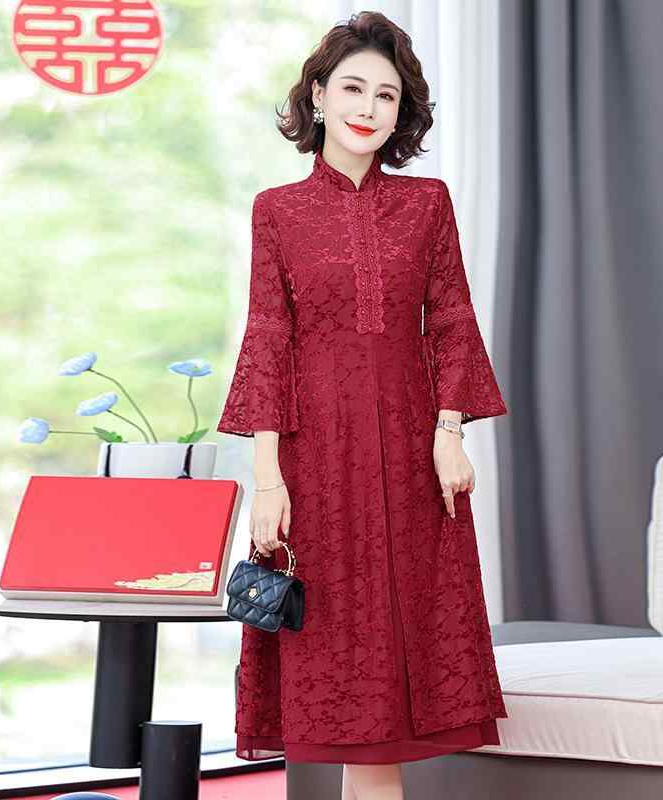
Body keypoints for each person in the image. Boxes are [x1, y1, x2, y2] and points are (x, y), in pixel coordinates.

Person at [217, 11, 509, 800]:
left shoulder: (427, 203)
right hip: (317, 459)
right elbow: (269, 339)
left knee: (395, 680)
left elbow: (452, 321)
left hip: (414, 456)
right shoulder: (277, 210)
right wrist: (268, 479)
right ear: (317, 96)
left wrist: (449, 432)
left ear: (400, 111)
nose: (368, 108)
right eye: (352, 88)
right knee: (340, 662)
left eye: (387, 95)